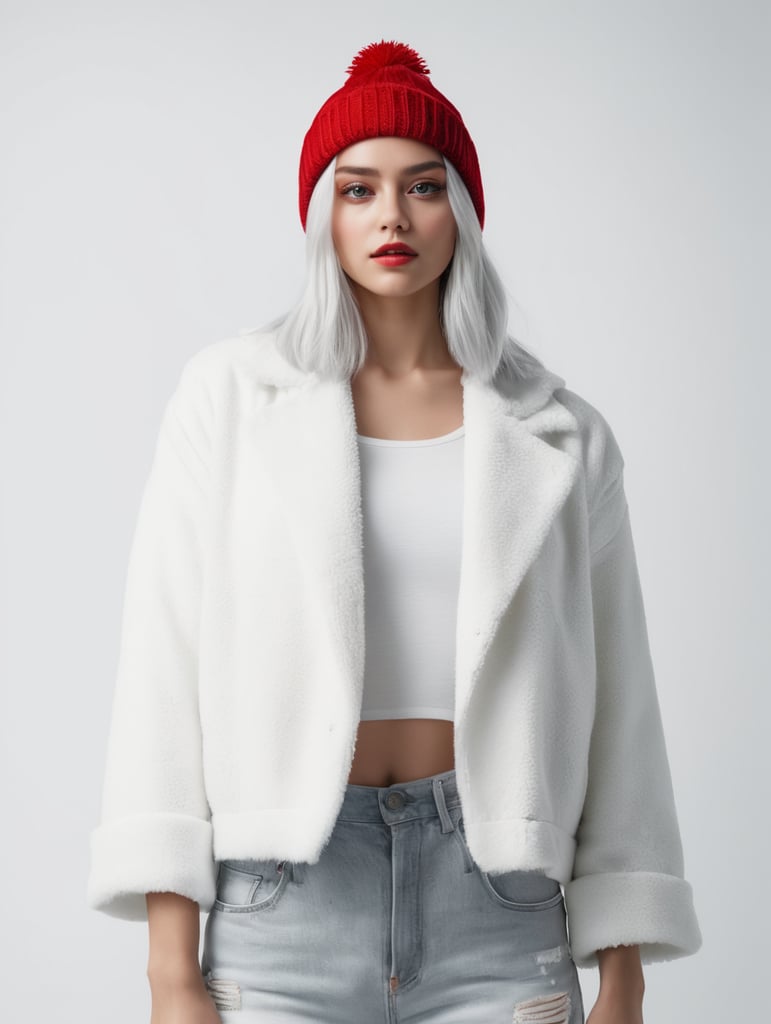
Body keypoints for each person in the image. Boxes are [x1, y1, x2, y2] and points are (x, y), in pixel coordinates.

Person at [87, 40, 701, 1024]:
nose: (391, 217)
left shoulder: (561, 433)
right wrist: (170, 970)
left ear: (460, 209)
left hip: (500, 910)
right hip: (282, 907)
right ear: (323, 213)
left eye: (422, 187)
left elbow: (622, 703)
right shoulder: (229, 401)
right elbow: (164, 672)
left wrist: (624, 974)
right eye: (358, 188)